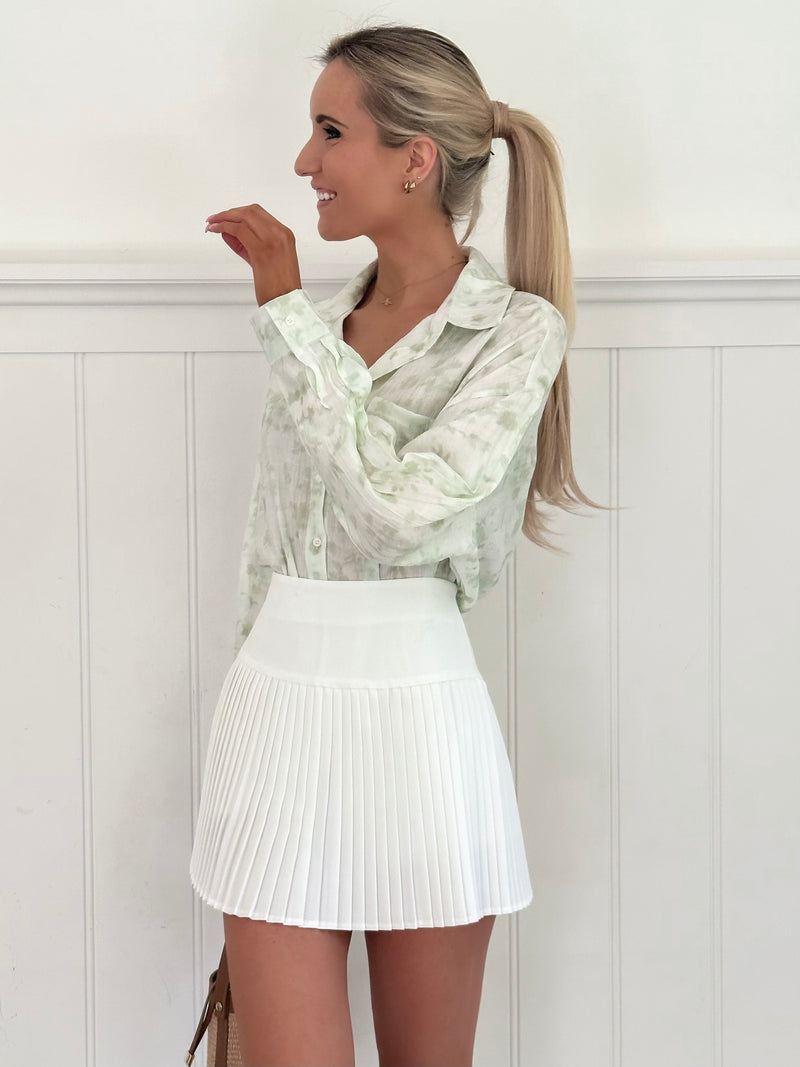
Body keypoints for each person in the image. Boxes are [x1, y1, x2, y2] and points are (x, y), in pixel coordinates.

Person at [189, 24, 591, 1067]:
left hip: (422, 724)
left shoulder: (515, 332)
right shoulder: (319, 326)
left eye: (331, 132)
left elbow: (401, 515)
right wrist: (245, 717)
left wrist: (284, 314)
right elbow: (270, 549)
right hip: (276, 719)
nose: (304, 162)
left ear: (415, 159)